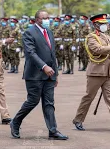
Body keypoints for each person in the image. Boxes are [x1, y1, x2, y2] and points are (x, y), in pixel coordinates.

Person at [10, 10, 68, 140]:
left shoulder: (49, 32)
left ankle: (53, 131)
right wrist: (44, 66)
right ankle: (15, 122)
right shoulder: (29, 33)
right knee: (32, 101)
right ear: (37, 20)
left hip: (49, 75)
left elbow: (53, 54)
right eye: (44, 18)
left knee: (49, 103)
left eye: (48, 17)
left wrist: (55, 74)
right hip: (35, 75)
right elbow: (31, 53)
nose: (47, 20)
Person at [72, 14, 110, 132]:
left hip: (108, 72)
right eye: (102, 24)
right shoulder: (92, 37)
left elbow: (108, 51)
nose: (105, 26)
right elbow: (97, 49)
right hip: (96, 73)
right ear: (96, 25)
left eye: (105, 23)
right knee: (89, 97)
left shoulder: (106, 36)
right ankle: (78, 120)